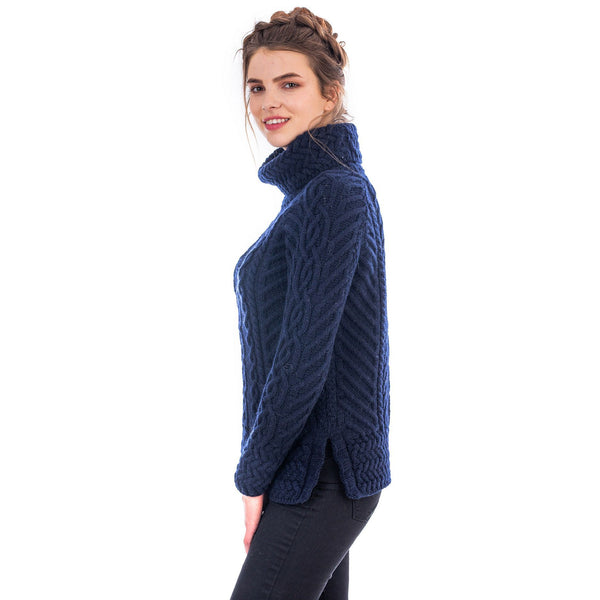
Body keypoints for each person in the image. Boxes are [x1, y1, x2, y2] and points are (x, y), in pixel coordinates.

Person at [230, 7, 391, 600]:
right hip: (307, 470)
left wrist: (252, 475)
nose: (269, 101)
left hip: (325, 472)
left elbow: (301, 360)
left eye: (289, 83)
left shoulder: (333, 194)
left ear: (330, 94)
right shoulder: (312, 195)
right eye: (257, 87)